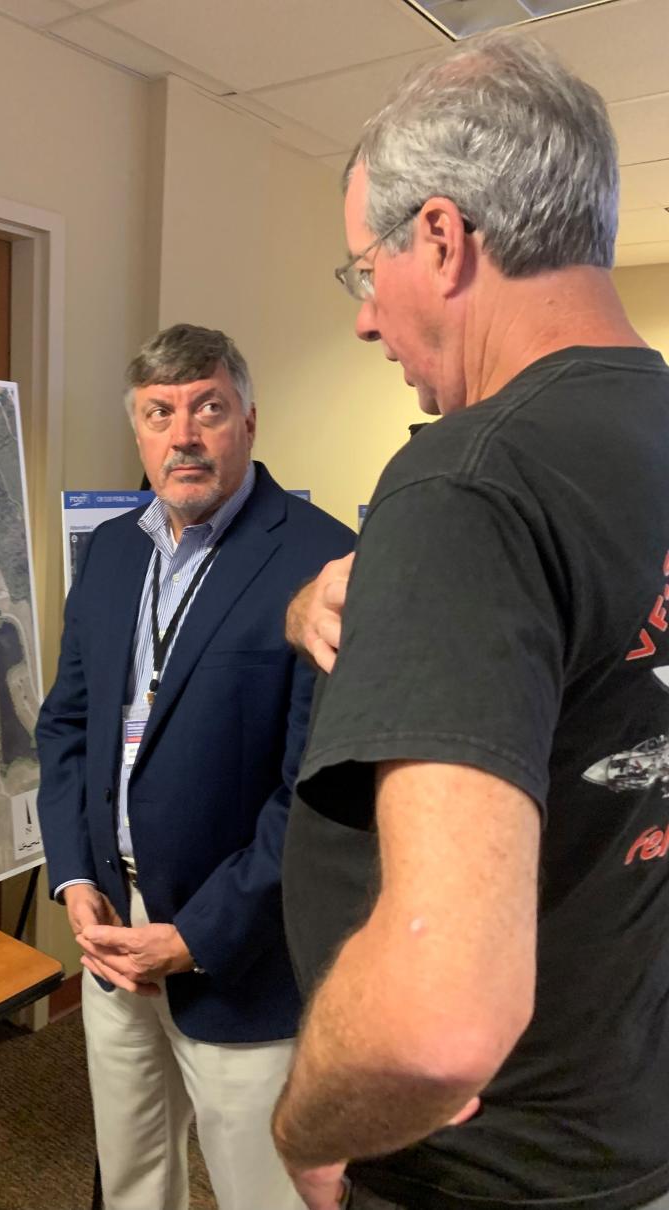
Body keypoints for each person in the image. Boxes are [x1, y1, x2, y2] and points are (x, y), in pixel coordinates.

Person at [272, 30, 669, 1210]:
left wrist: (308, 1128)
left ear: (442, 238)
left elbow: (437, 1024)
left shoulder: (467, 479)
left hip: (485, 1172)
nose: (362, 319)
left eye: (362, 270)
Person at [35, 323, 353, 1210]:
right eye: (159, 412)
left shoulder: (320, 563)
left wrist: (196, 937)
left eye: (208, 408)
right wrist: (72, 880)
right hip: (111, 929)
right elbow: (66, 726)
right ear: (137, 431)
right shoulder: (111, 553)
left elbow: (315, 800)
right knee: (133, 1173)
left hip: (243, 955)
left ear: (249, 420)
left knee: (265, 1191)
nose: (183, 433)